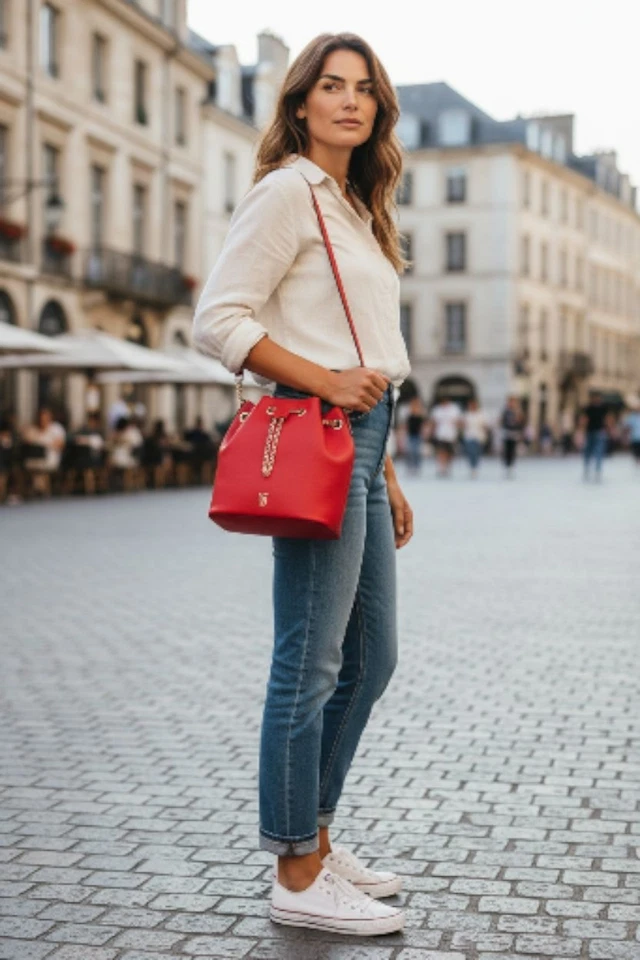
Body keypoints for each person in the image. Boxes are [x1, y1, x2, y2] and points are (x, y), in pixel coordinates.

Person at [193, 33, 412, 937]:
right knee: (310, 662)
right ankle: (294, 868)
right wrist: (325, 385)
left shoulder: (358, 206)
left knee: (373, 659)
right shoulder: (287, 193)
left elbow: (364, 346)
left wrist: (387, 468)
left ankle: (316, 838)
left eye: (364, 89)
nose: (349, 102)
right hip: (319, 431)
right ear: (301, 103)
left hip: (366, 440)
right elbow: (219, 321)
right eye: (332, 86)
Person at [23, 407, 66, 493]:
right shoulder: (33, 429)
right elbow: (27, 441)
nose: (43, 420)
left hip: (50, 456)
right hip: (34, 458)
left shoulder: (56, 428)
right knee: (34, 465)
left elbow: (61, 445)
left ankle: (41, 489)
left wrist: (46, 444)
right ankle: (38, 488)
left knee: (42, 466)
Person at [580, 391, 611, 482]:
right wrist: (581, 430)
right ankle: (587, 467)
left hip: (600, 432)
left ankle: (598, 469)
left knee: (599, 451)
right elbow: (584, 419)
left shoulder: (604, 408)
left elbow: (607, 419)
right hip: (590, 431)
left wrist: (608, 429)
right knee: (588, 450)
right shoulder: (588, 408)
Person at [429, 396, 461, 477]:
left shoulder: (454, 409)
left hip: (451, 435)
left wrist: (458, 431)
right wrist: (431, 432)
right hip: (440, 434)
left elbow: (458, 421)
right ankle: (442, 468)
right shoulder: (437, 409)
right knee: (441, 451)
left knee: (450, 453)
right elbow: (433, 422)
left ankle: (448, 466)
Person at [461, 398, 488, 478]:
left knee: (477, 453)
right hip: (469, 436)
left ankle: (475, 467)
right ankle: (472, 467)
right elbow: (462, 425)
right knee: (471, 452)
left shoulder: (481, 414)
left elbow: (486, 425)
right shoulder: (466, 414)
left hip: (479, 437)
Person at [500, 396, 524, 478]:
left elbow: (521, 423)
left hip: (514, 434)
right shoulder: (505, 411)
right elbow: (502, 422)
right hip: (507, 433)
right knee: (507, 450)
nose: (512, 404)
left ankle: (511, 466)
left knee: (512, 451)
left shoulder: (517, 412)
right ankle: (507, 465)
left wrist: (518, 422)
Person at [405, 395, 426, 473]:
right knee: (410, 451)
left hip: (417, 435)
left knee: (416, 451)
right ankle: (410, 466)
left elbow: (423, 425)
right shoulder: (409, 413)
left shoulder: (420, 414)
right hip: (410, 434)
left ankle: (417, 466)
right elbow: (406, 424)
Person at [623, 402, 640, 467]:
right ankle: (637, 461)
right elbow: (628, 426)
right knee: (635, 450)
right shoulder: (632, 416)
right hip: (634, 437)